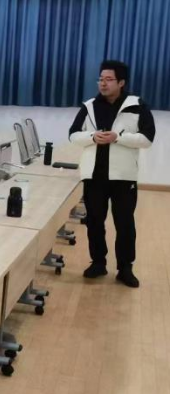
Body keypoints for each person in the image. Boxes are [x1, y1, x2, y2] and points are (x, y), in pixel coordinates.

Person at [69, 60, 155, 288]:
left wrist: (119, 138)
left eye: (109, 79)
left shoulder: (137, 105)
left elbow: (147, 139)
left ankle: (125, 268)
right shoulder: (89, 106)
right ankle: (98, 262)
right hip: (94, 175)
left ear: (121, 82)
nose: (103, 83)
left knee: (124, 223)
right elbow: (73, 134)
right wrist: (92, 137)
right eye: (100, 79)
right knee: (94, 221)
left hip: (123, 176)